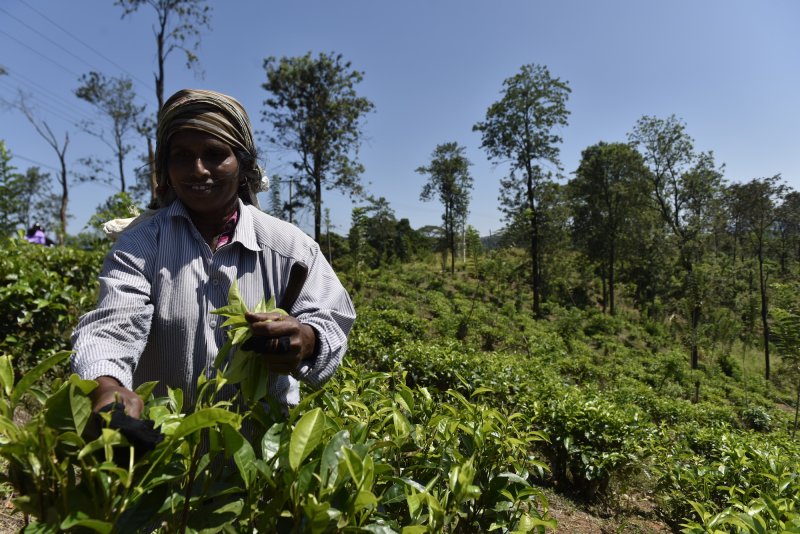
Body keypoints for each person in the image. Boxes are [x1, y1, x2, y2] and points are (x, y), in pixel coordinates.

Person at [71, 89, 356, 419]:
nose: (198, 170)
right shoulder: (141, 244)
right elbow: (113, 324)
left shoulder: (290, 247)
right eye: (181, 156)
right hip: (164, 453)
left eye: (214, 153)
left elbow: (330, 317)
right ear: (165, 166)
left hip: (259, 457)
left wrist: (306, 339)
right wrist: (108, 386)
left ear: (243, 164)